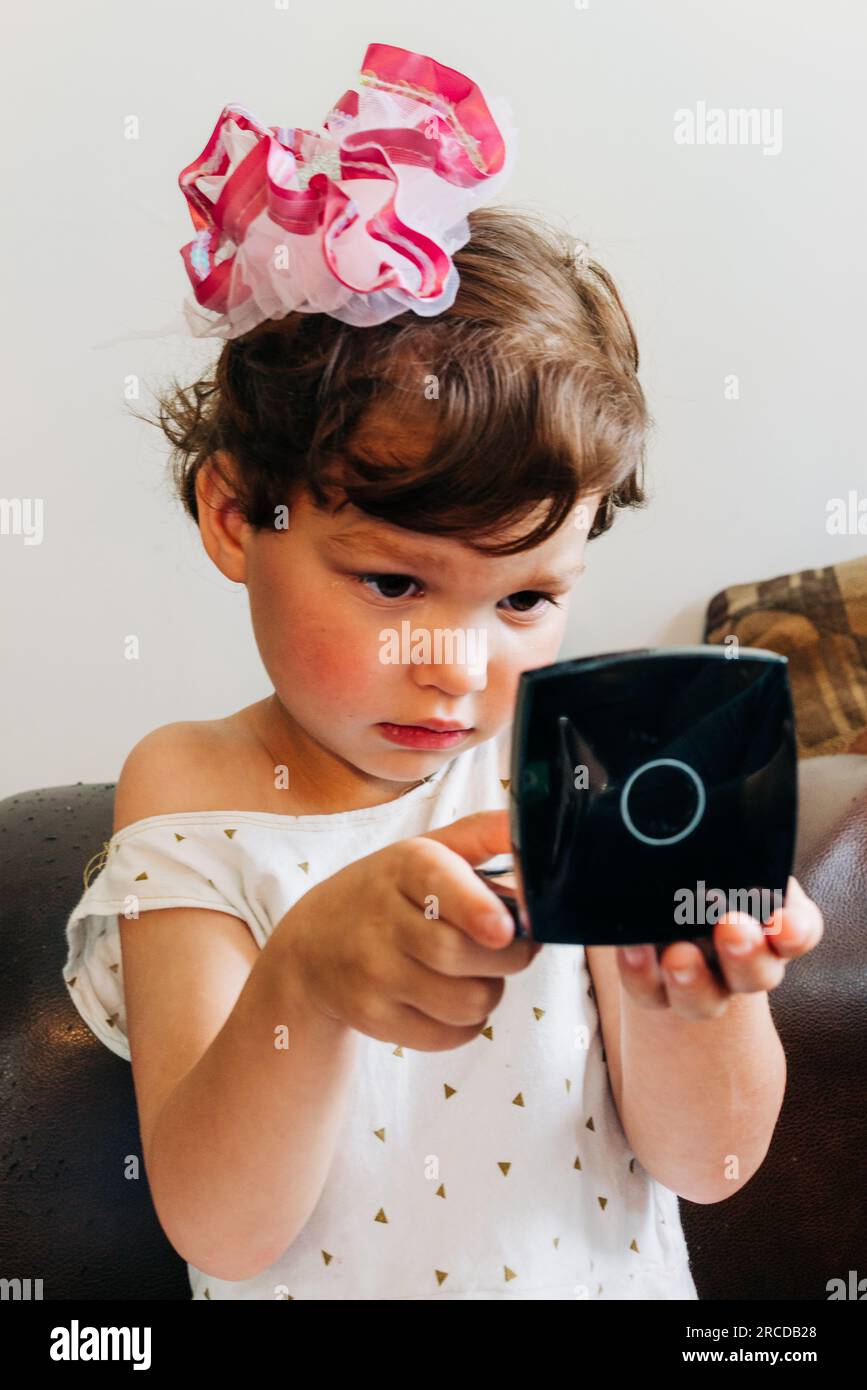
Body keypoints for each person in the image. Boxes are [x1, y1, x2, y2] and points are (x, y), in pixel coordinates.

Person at [62, 41, 823, 1301]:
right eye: (396, 583)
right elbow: (220, 1227)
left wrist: (692, 998)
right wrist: (306, 969)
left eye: (525, 598)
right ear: (239, 516)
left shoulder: (583, 773)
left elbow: (714, 1161)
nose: (457, 670)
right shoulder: (194, 781)